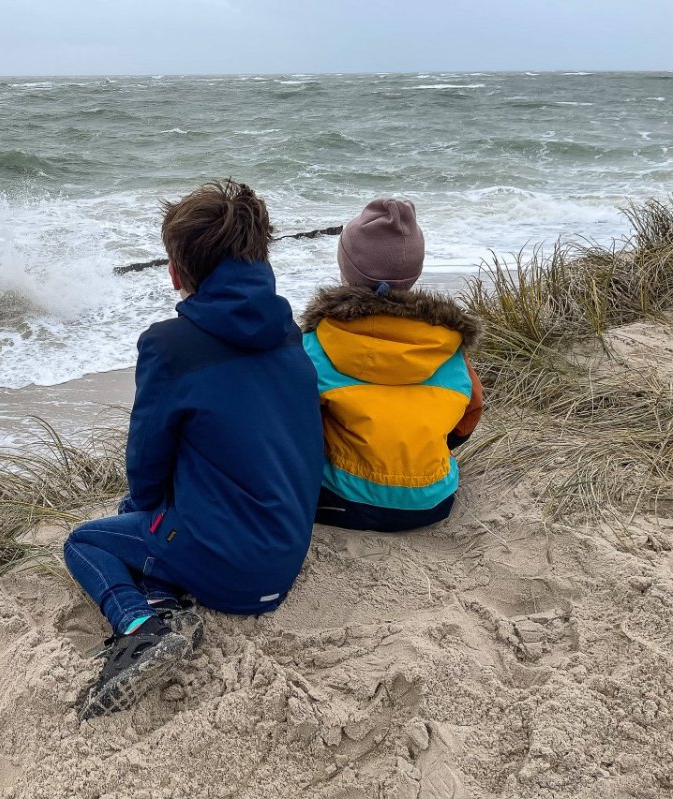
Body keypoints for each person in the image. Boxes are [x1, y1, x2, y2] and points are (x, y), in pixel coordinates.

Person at [64, 179, 324, 720]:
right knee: (155, 518)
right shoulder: (288, 333)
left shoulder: (168, 344)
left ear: (176, 273)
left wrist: (143, 508)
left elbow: (146, 460)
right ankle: (164, 593)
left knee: (88, 542)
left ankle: (141, 625)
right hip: (285, 553)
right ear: (259, 254)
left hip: (232, 566)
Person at [301, 198, 483, 533]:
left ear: (345, 270)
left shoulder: (317, 342)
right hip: (433, 501)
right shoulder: (447, 345)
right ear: (414, 274)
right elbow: (471, 411)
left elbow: (294, 424)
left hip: (343, 501)